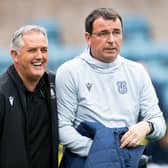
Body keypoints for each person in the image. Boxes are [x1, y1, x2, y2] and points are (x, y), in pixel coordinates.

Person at [56, 8, 166, 167]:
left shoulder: (137, 71)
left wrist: (146, 126)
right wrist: (104, 152)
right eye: (103, 33)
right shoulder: (69, 71)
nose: (111, 40)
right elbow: (62, 128)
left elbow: (159, 123)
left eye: (116, 32)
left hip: (125, 160)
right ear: (88, 38)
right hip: (85, 160)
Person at [0, 25, 58, 168]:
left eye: (43, 50)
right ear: (15, 55)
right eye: (32, 50)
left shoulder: (55, 84)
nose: (39, 56)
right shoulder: (2, 93)